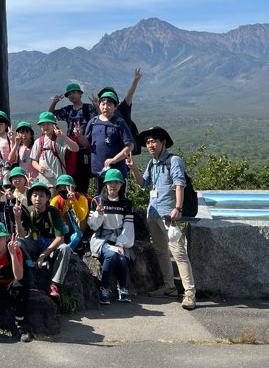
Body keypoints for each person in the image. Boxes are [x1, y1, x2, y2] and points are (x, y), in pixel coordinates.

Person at [127, 126, 196, 310]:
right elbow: (143, 184)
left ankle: (189, 293)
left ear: (163, 142)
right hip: (153, 213)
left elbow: (179, 184)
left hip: (169, 215)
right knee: (161, 251)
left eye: (153, 141)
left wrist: (178, 208)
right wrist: (134, 168)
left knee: (178, 252)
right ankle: (169, 287)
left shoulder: (173, 161)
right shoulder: (151, 164)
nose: (150, 145)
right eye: (148, 142)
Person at [88, 169, 134, 305]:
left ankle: (123, 288)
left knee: (121, 257)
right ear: (105, 184)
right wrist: (99, 214)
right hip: (101, 238)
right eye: (110, 182)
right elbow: (93, 226)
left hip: (119, 237)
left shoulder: (126, 203)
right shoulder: (97, 201)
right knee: (111, 255)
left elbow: (128, 226)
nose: (113, 186)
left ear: (121, 184)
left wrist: (120, 243)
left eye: (116, 182)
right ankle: (104, 288)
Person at [18, 181, 72, 299]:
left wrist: (43, 255)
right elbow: (22, 235)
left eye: (41, 195)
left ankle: (54, 283)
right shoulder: (30, 211)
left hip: (51, 243)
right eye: (35, 195)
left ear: (47, 198)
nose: (38, 199)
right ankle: (30, 279)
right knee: (18, 243)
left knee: (65, 248)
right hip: (36, 243)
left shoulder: (53, 212)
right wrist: (17, 218)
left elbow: (60, 238)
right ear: (30, 198)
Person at [49, 83, 96, 193]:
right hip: (70, 147)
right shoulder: (68, 110)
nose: (72, 96)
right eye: (69, 94)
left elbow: (99, 118)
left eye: (74, 92)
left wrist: (97, 106)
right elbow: (50, 115)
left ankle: (83, 199)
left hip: (84, 147)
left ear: (80, 93)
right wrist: (54, 102)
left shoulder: (88, 108)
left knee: (83, 176)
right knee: (71, 175)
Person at [84, 91, 134, 195]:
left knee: (118, 202)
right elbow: (87, 144)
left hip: (117, 173)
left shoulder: (119, 123)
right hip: (99, 172)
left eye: (109, 104)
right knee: (101, 202)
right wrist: (79, 136)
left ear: (115, 106)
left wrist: (114, 159)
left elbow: (130, 146)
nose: (105, 107)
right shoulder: (93, 122)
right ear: (99, 105)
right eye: (103, 104)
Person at [30, 111, 79, 190]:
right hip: (44, 182)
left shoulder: (60, 139)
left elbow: (76, 148)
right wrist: (38, 167)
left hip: (59, 182)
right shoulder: (38, 141)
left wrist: (63, 136)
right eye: (43, 124)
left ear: (54, 125)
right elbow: (33, 160)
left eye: (48, 124)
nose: (45, 127)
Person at [50, 174, 89, 243]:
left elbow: (81, 217)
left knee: (82, 218)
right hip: (65, 227)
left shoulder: (81, 199)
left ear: (73, 188)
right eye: (59, 188)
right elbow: (50, 217)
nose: (62, 190)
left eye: (65, 187)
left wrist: (74, 201)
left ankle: (80, 239)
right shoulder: (56, 200)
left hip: (78, 225)